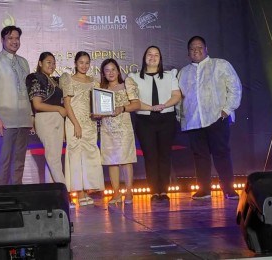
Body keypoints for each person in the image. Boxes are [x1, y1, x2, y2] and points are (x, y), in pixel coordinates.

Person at [178, 36, 242, 200]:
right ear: (188, 53)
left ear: (207, 49)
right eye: (192, 48)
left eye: (199, 47)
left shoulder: (220, 65)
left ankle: (228, 188)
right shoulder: (183, 72)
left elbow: (235, 87)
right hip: (193, 120)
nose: (196, 50)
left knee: (221, 153)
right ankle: (204, 189)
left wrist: (227, 110)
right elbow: (179, 97)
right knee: (200, 156)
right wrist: (181, 116)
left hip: (217, 117)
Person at [128, 46, 182, 202]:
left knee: (164, 155)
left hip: (166, 119)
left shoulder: (169, 76)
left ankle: (164, 190)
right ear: (144, 57)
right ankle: (153, 191)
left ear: (160, 58)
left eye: (156, 54)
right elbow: (134, 101)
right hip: (145, 121)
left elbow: (176, 95)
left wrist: (164, 105)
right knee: (150, 156)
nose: (153, 57)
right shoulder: (134, 77)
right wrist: (151, 108)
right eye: (149, 54)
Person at [26, 52, 75, 208]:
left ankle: (54, 197)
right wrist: (58, 109)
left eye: (54, 63)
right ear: (40, 63)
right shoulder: (35, 77)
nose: (52, 66)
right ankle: (65, 195)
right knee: (53, 159)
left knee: (53, 159)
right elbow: (37, 105)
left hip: (56, 120)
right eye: (48, 62)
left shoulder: (54, 80)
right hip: (46, 119)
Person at [0, 25, 33, 185]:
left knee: (19, 162)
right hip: (5, 120)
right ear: (2, 40)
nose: (14, 41)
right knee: (4, 161)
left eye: (17, 38)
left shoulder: (24, 62)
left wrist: (31, 116)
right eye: (10, 38)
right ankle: (1, 198)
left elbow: (27, 92)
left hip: (23, 120)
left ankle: (16, 195)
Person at [60, 51, 105, 206]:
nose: (84, 66)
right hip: (74, 122)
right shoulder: (68, 79)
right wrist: (76, 124)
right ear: (75, 63)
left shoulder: (94, 82)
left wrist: (99, 114)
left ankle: (87, 190)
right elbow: (67, 104)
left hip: (90, 123)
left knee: (89, 155)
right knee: (75, 155)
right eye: (81, 62)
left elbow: (97, 104)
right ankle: (77, 193)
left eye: (87, 62)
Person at [98, 58, 140, 205]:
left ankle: (129, 192)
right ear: (103, 73)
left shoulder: (126, 85)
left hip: (123, 127)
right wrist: (96, 113)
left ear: (118, 71)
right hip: (107, 128)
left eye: (113, 69)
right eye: (107, 70)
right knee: (111, 162)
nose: (111, 73)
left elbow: (136, 104)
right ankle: (116, 194)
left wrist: (122, 108)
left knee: (126, 160)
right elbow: (96, 112)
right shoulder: (100, 91)